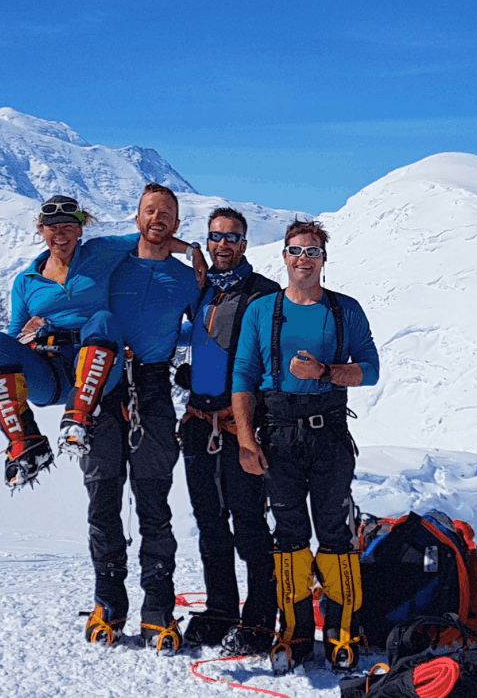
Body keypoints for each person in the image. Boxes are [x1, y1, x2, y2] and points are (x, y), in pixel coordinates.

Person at [230, 220, 380, 672]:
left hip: (329, 433)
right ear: (284, 256)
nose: (303, 259)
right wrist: (244, 437)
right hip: (277, 433)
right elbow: (242, 375)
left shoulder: (344, 310)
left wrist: (326, 373)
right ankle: (293, 634)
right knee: (289, 535)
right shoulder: (262, 310)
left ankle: (341, 633)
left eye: (312, 251)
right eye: (295, 251)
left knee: (335, 533)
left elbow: (369, 369)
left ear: (323, 258)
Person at [0, 194, 195, 489]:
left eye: (67, 227)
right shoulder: (26, 281)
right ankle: (25, 444)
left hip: (97, 368)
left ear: (80, 229)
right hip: (51, 373)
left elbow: (151, 238)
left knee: (103, 319)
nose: (60, 235)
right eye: (53, 228)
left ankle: (78, 421)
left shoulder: (100, 252)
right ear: (41, 229)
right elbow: (12, 337)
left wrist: (192, 251)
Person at [80, 183, 206, 650]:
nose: (157, 217)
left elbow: (210, 328)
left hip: (152, 387)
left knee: (154, 506)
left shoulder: (188, 278)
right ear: (137, 219)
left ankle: (158, 611)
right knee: (102, 501)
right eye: (149, 210)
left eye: (166, 213)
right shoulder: (111, 265)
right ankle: (108, 605)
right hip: (103, 384)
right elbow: (68, 293)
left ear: (175, 223)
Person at [175, 208, 282, 653]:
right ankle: (221, 609)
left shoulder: (263, 294)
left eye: (232, 237)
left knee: (250, 524)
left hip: (241, 426)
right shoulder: (200, 289)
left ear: (244, 243)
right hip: (199, 423)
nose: (223, 245)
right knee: (210, 523)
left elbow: (266, 361)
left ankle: (260, 618)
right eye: (215, 236)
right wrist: (194, 376)